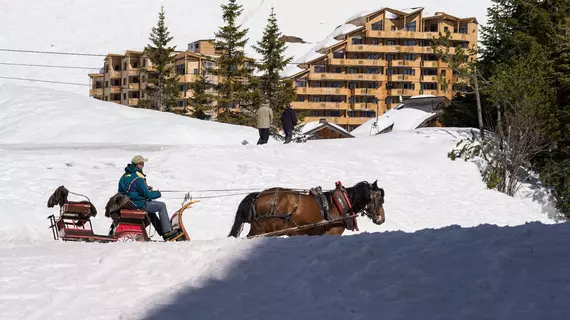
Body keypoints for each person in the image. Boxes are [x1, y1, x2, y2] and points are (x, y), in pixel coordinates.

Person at [118, 155, 180, 240]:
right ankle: (167, 232)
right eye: (142, 164)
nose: (143, 166)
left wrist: (145, 188)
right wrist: (158, 193)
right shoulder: (138, 177)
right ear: (138, 165)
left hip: (128, 202)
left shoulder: (126, 175)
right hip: (136, 203)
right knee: (161, 206)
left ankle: (163, 232)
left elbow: (129, 189)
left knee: (151, 212)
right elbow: (147, 195)